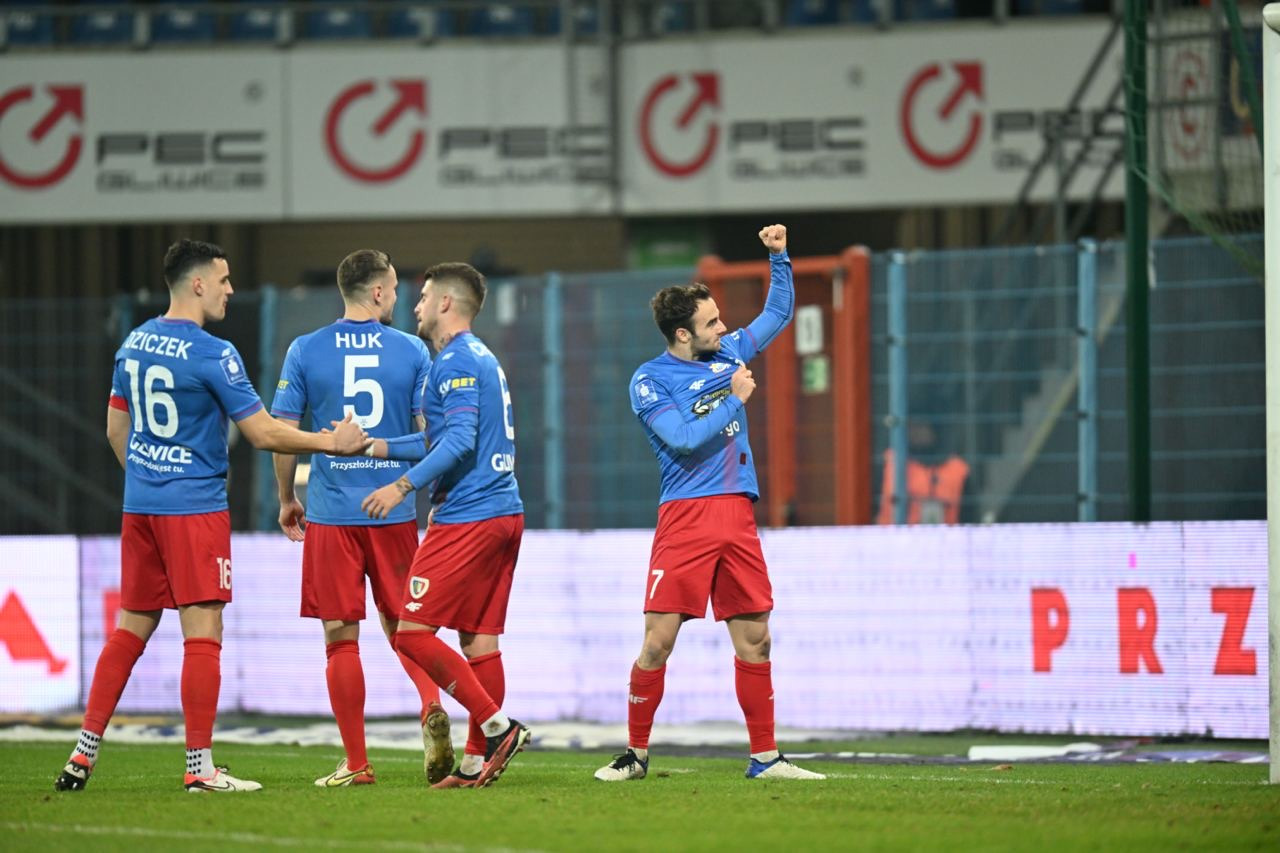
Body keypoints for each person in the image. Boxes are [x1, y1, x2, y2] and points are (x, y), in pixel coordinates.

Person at [55, 239, 369, 794]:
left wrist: (150, 479)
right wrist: (331, 442)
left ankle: (83, 753)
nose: (229, 289)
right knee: (203, 632)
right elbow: (263, 432)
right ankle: (200, 767)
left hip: (141, 507)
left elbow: (114, 428)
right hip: (194, 510)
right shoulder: (213, 353)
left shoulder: (133, 343)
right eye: (222, 280)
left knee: (130, 628)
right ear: (197, 283)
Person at [595, 224, 825, 782]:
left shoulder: (729, 352)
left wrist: (779, 257)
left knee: (757, 639)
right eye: (712, 323)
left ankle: (765, 758)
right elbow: (681, 439)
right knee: (658, 643)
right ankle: (635, 755)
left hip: (738, 513)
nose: (724, 329)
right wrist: (734, 399)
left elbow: (777, 314)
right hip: (687, 516)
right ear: (682, 334)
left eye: (721, 320)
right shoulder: (650, 380)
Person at [270, 249, 454, 788]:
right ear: (376, 292)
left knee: (340, 637)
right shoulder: (412, 350)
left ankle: (357, 762)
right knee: (407, 627)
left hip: (331, 513)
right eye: (393, 289)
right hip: (391, 509)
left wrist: (286, 497)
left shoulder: (305, 349)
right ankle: (430, 704)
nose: (396, 297)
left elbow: (283, 434)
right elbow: (431, 435)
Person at [360, 262, 529, 789]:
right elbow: (440, 439)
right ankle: (476, 761)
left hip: (469, 516)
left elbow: (457, 441)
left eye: (424, 296)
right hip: (503, 512)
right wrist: (374, 446)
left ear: (446, 304)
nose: (416, 306)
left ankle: (498, 728)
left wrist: (402, 487)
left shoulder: (455, 360)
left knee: (411, 634)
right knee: (479, 643)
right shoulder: (477, 357)